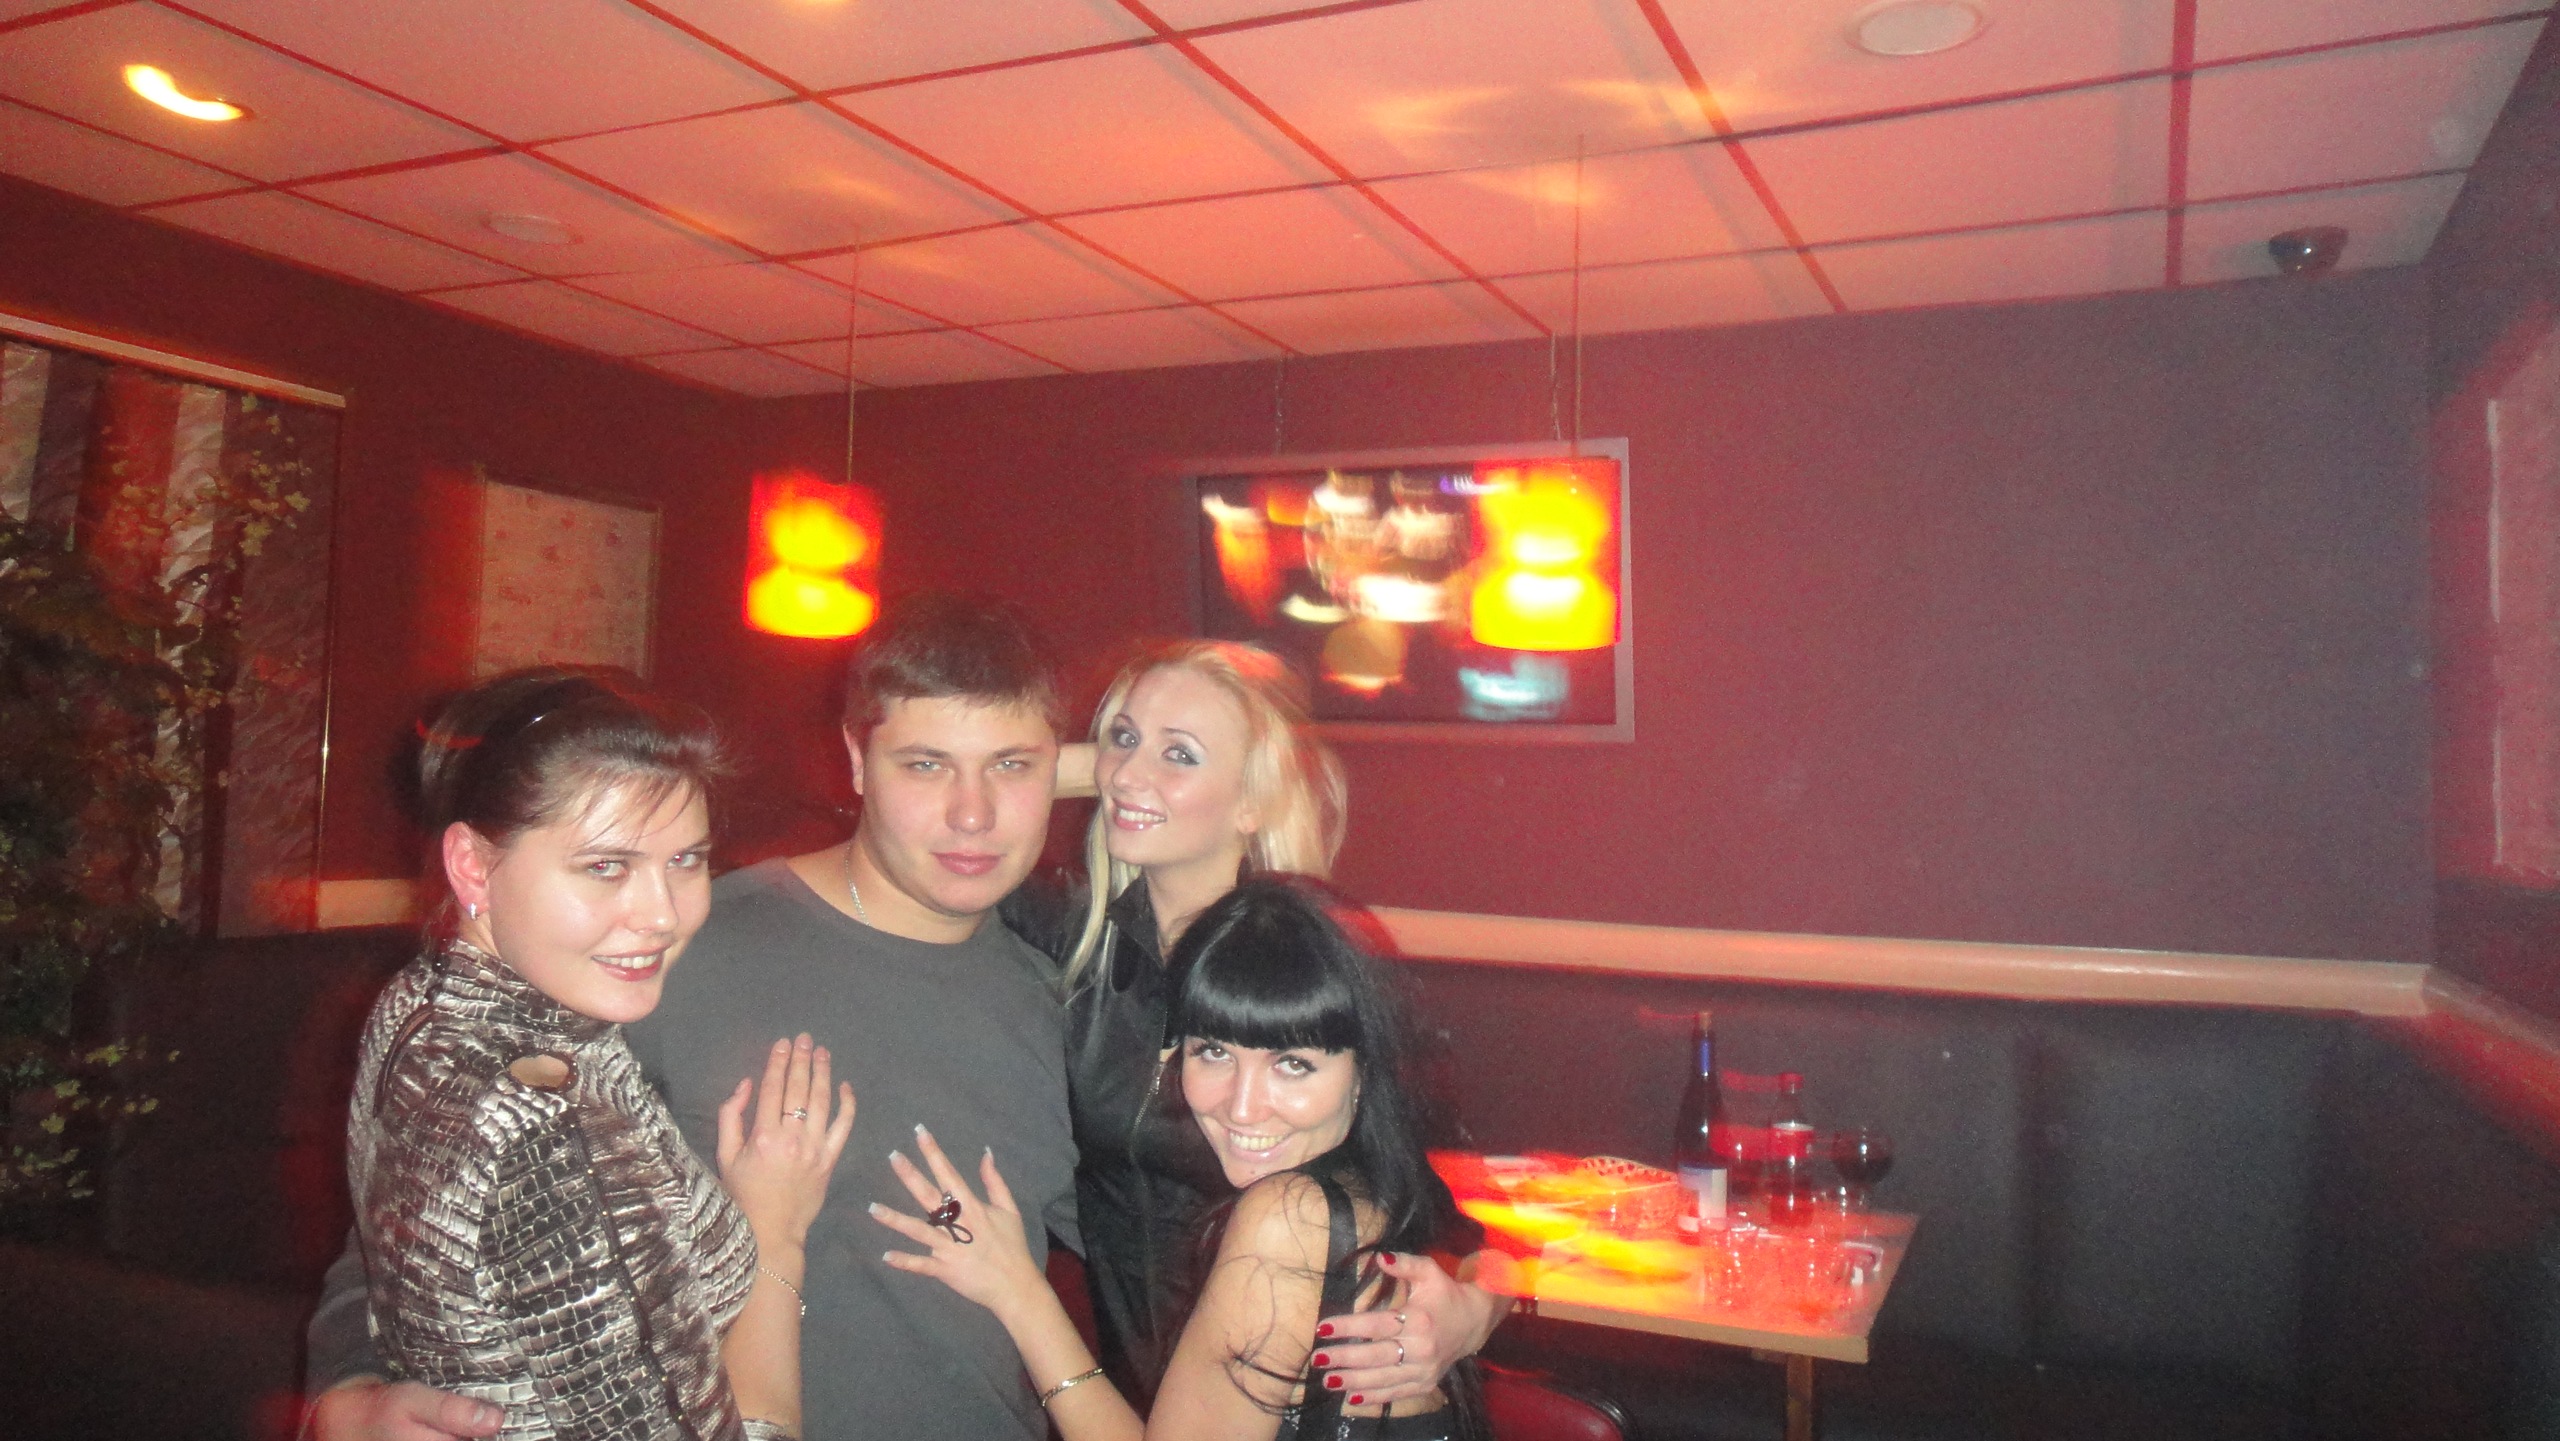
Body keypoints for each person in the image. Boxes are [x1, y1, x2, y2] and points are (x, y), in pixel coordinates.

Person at [308, 596, 1083, 1441]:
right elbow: (420, 1203)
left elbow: (1149, 1262)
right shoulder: (656, 952)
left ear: (1059, 768)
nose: (973, 813)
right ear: (859, 759)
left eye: (1012, 765)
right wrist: (347, 1392)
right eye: (926, 764)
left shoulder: (1068, 1009)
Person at [344, 667, 851, 1439]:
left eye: (686, 860)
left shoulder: (422, 1002)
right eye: (606, 866)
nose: (662, 914)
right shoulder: (551, 1140)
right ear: (473, 865)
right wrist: (776, 1230)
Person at [1003, 640, 1501, 1409]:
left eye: (1180, 753)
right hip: (1131, 1403)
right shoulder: (1074, 937)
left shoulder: (1313, 963)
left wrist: (1476, 1312)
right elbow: (964, 803)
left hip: (1314, 1404)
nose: (1130, 773)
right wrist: (1103, 766)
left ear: (1251, 802)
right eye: (1122, 737)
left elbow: (1458, 1226)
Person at [874, 876, 1488, 1441]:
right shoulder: (1378, 1185)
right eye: (1214, 1051)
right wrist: (1483, 1305)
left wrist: (1019, 1293)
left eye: (1292, 1064)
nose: (1242, 1108)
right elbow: (1489, 1256)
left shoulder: (1290, 1218)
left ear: (1363, 1072)